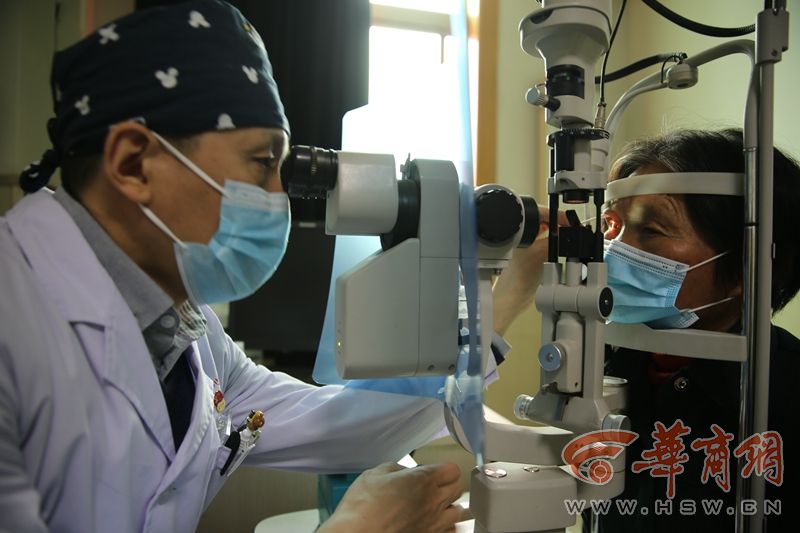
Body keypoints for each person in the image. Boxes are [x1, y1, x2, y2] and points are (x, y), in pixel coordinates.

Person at [0, 2, 470, 531]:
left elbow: (334, 425)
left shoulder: (188, 330)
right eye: (263, 163)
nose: (279, 199)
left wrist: (492, 296)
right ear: (133, 163)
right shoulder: (14, 323)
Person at [493, 128, 800, 531]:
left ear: (746, 266)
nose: (613, 250)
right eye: (611, 225)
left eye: (650, 230)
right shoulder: (603, 358)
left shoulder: (785, 391)